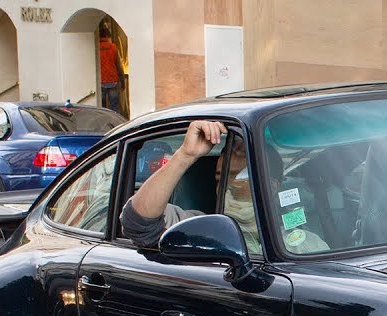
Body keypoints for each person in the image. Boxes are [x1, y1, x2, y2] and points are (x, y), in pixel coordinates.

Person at [120, 119, 326, 254]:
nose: (226, 186)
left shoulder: (305, 243)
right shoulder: (195, 228)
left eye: (238, 177)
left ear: (272, 186)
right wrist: (185, 155)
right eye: (220, 178)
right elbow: (137, 222)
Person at [97, 27, 122, 115]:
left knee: (102, 108)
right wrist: (122, 81)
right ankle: (117, 125)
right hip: (113, 80)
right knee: (114, 105)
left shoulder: (96, 48)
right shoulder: (113, 47)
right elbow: (119, 65)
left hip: (100, 81)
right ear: (108, 36)